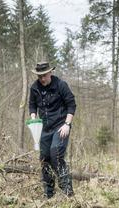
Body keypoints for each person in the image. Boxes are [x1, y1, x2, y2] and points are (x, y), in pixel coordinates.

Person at [28, 61, 77, 198]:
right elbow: (32, 105)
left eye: (44, 75)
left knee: (55, 154)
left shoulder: (61, 85)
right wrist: (33, 117)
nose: (42, 79)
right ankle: (48, 194)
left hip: (61, 126)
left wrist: (67, 124)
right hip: (43, 128)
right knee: (44, 158)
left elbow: (71, 105)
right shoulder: (34, 88)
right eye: (40, 76)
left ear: (50, 72)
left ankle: (68, 192)